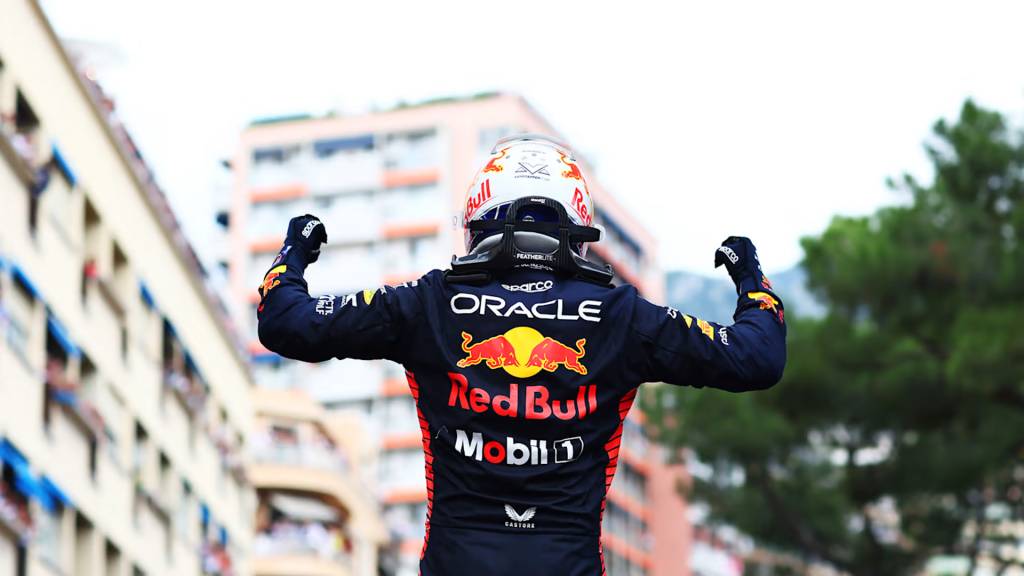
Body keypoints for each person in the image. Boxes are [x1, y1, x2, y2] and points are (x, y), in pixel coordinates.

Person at [257, 134, 786, 576]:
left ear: (479, 218)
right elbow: (756, 356)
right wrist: (749, 276)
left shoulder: (428, 301)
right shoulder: (623, 315)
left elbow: (286, 323)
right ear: (577, 226)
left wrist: (295, 250)